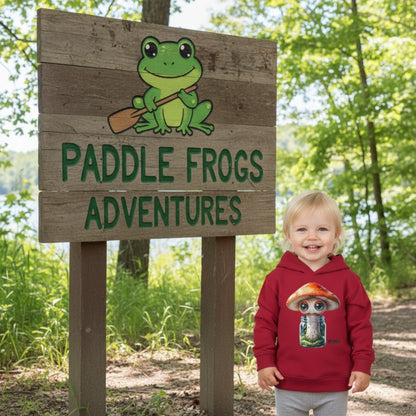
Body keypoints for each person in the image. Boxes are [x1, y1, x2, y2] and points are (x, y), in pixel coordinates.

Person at [253, 190, 374, 416]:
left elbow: (360, 326)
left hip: (335, 383)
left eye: (322, 229)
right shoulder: (276, 279)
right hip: (287, 381)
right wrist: (265, 361)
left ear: (336, 234)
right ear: (288, 235)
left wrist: (362, 364)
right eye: (302, 229)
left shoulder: (348, 280)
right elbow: (264, 324)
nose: (312, 237)